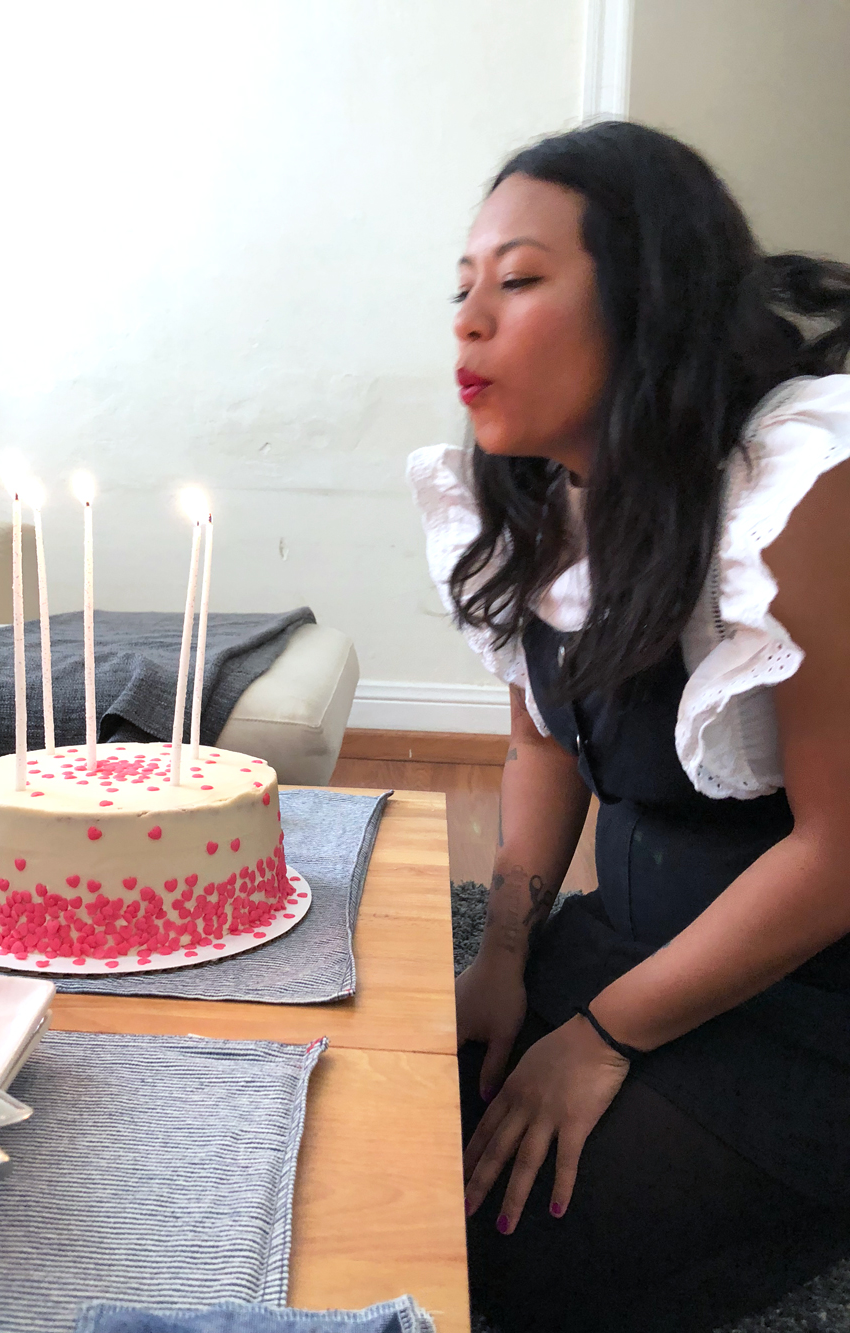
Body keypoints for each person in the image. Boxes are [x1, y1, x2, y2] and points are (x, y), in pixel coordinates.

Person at [407, 120, 850, 1333]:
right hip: (642, 936)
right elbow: (545, 741)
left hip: (810, 1000)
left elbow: (838, 850)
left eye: (521, 280)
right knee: (388, 1125)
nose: (468, 319)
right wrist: (502, 953)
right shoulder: (540, 495)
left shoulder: (792, 488)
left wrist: (599, 1035)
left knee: (511, 1252)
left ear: (651, 301)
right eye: (461, 288)